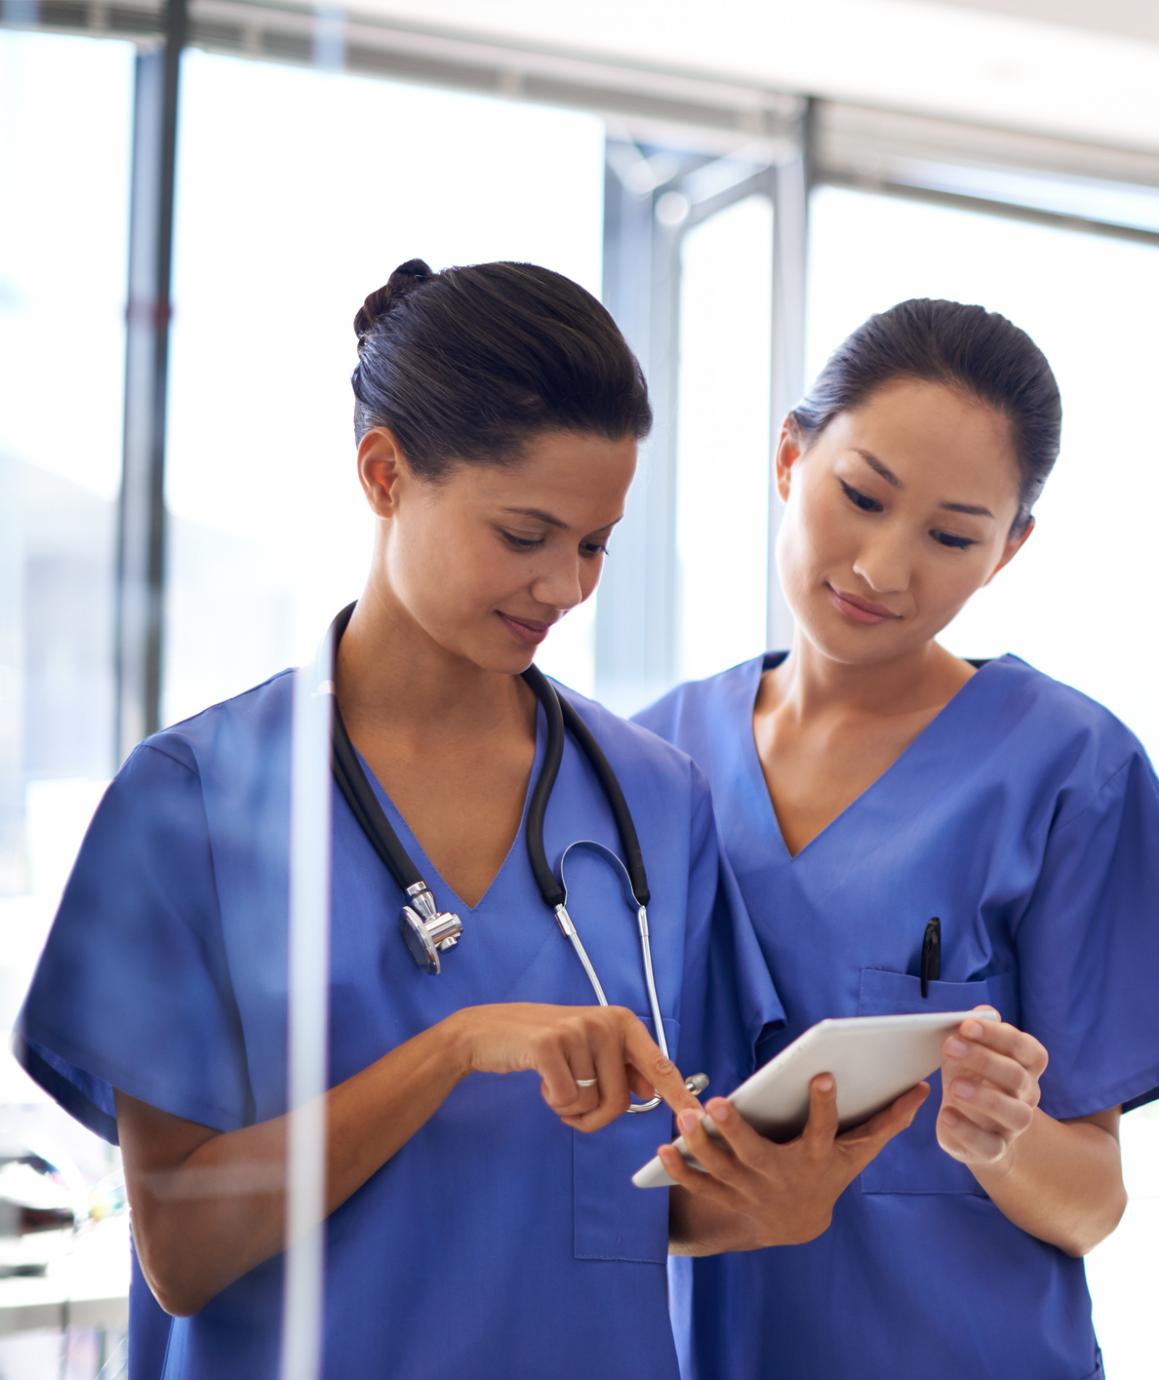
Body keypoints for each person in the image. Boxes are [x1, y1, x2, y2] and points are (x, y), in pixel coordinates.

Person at [14, 259, 922, 1378]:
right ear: (385, 472)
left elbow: (648, 1201)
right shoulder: (191, 802)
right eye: (524, 534)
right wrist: (454, 1047)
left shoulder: (652, 801)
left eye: (594, 543)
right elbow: (183, 1251)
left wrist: (773, 1205)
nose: (565, 587)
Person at [635, 298, 1159, 1379]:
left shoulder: (1068, 771)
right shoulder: (648, 763)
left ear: (1008, 551)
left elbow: (1091, 1203)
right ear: (788, 455)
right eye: (860, 496)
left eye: (952, 536)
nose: (880, 567)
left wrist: (1002, 1137)